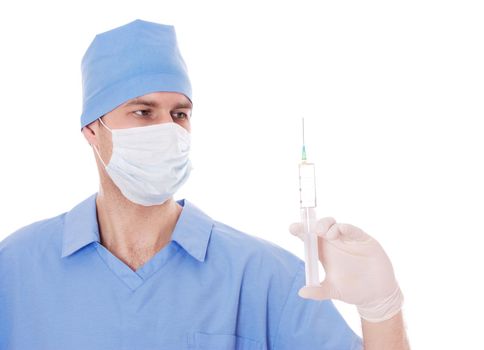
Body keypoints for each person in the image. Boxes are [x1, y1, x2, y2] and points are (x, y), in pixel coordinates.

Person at [0, 19, 410, 349]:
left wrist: (381, 310)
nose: (167, 129)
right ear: (93, 130)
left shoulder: (266, 276)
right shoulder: (16, 268)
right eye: (143, 112)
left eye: (179, 114)